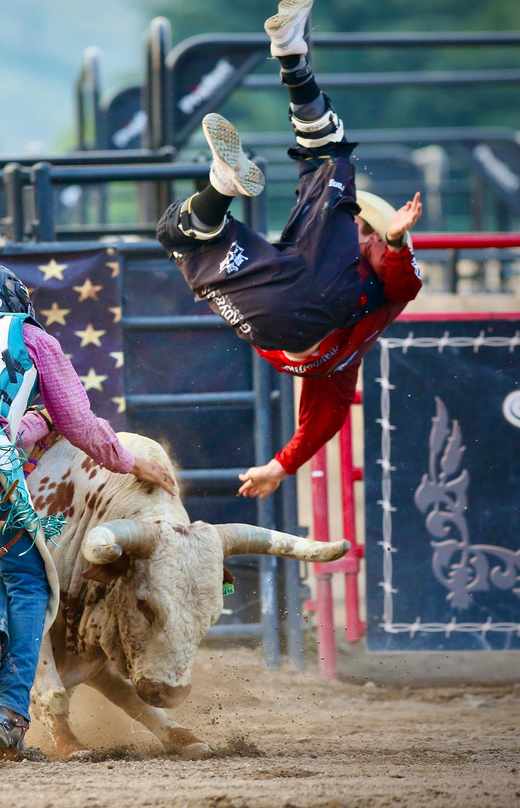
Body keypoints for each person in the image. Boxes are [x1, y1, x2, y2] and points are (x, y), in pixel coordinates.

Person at [0, 264, 175, 756]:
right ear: (20, 305)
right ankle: (10, 713)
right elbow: (81, 423)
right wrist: (132, 463)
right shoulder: (28, 336)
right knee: (33, 582)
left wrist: (35, 426)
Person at [157, 0, 423, 500]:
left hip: (297, 309)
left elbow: (403, 282)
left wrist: (393, 240)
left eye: (363, 224)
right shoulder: (346, 351)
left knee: (327, 156)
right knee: (178, 236)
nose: (356, 226)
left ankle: (289, 59)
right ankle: (225, 175)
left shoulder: (372, 267)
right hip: (260, 315)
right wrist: (280, 467)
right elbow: (326, 418)